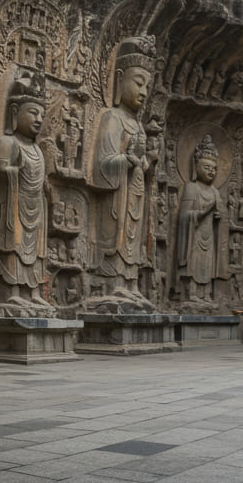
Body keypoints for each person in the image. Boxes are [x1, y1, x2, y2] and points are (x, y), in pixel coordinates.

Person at [92, 37, 158, 298]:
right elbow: (102, 164)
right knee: (117, 237)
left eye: (147, 87)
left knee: (133, 236)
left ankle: (130, 281)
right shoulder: (112, 118)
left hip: (134, 193)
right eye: (138, 83)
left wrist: (148, 160)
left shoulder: (138, 124)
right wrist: (128, 160)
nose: (143, 92)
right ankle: (113, 284)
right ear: (120, 79)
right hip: (116, 197)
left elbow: (139, 163)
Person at [0, 71, 51, 309]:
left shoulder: (38, 151)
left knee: (36, 249)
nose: (39, 119)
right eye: (33, 112)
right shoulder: (7, 143)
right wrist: (11, 172)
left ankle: (32, 291)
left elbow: (41, 180)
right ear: (14, 112)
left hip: (35, 209)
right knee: (14, 244)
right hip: (12, 209)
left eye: (42, 114)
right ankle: (11, 290)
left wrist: (45, 189)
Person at [176, 135, 222, 302]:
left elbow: (220, 217)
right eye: (207, 167)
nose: (211, 171)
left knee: (208, 264)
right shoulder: (191, 187)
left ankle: (206, 293)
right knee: (194, 263)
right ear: (196, 167)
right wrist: (202, 213)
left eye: (214, 168)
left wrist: (218, 217)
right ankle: (192, 293)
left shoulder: (215, 192)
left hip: (209, 235)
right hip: (193, 235)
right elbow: (183, 216)